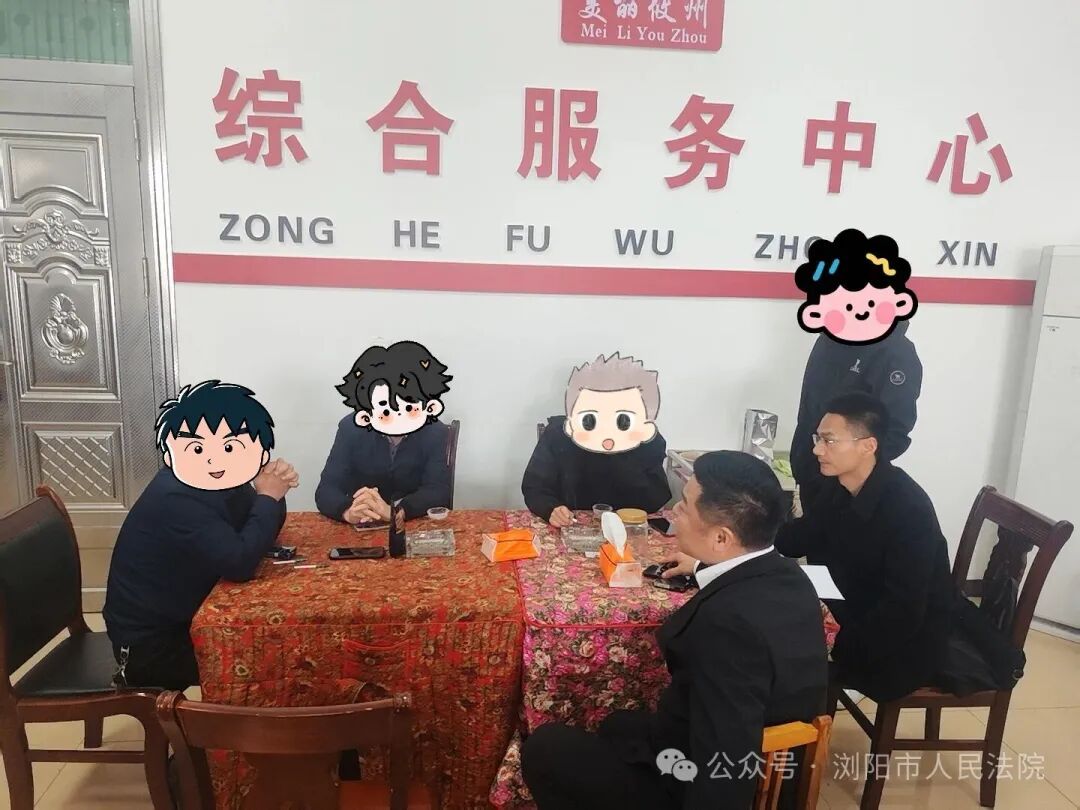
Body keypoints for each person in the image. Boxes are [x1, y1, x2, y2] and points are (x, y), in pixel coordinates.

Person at [522, 451, 828, 810]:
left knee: (545, 748)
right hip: (749, 755)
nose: (674, 513)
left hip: (700, 781)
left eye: (684, 506)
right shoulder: (789, 576)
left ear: (721, 538)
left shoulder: (728, 628)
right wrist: (700, 566)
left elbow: (725, 768)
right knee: (618, 724)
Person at [103, 380, 297, 690]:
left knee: (282, 645)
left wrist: (269, 488)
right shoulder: (177, 497)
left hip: (183, 619)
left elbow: (257, 529)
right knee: (280, 654)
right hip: (152, 647)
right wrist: (268, 497)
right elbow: (240, 562)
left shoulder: (217, 479)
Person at [775, 392, 955, 703]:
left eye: (829, 441)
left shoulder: (907, 508)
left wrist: (838, 646)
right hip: (851, 606)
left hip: (900, 643)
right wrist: (747, 527)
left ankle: (799, 727)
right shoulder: (837, 485)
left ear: (868, 446)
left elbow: (904, 611)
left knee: (780, 655)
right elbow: (796, 540)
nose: (817, 449)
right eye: (818, 438)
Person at [790, 228, 923, 516]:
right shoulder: (829, 338)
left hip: (848, 489)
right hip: (811, 475)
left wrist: (848, 477)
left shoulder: (895, 353)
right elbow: (811, 409)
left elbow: (894, 431)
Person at [522, 352, 670, 526]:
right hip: (571, 526)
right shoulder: (558, 435)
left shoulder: (645, 439)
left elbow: (656, 499)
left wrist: (621, 457)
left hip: (627, 527)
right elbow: (535, 487)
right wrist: (551, 509)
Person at [316, 341, 453, 523]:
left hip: (411, 523)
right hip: (363, 523)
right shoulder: (351, 428)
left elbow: (438, 491)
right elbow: (327, 489)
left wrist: (396, 512)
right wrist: (348, 512)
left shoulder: (435, 432)